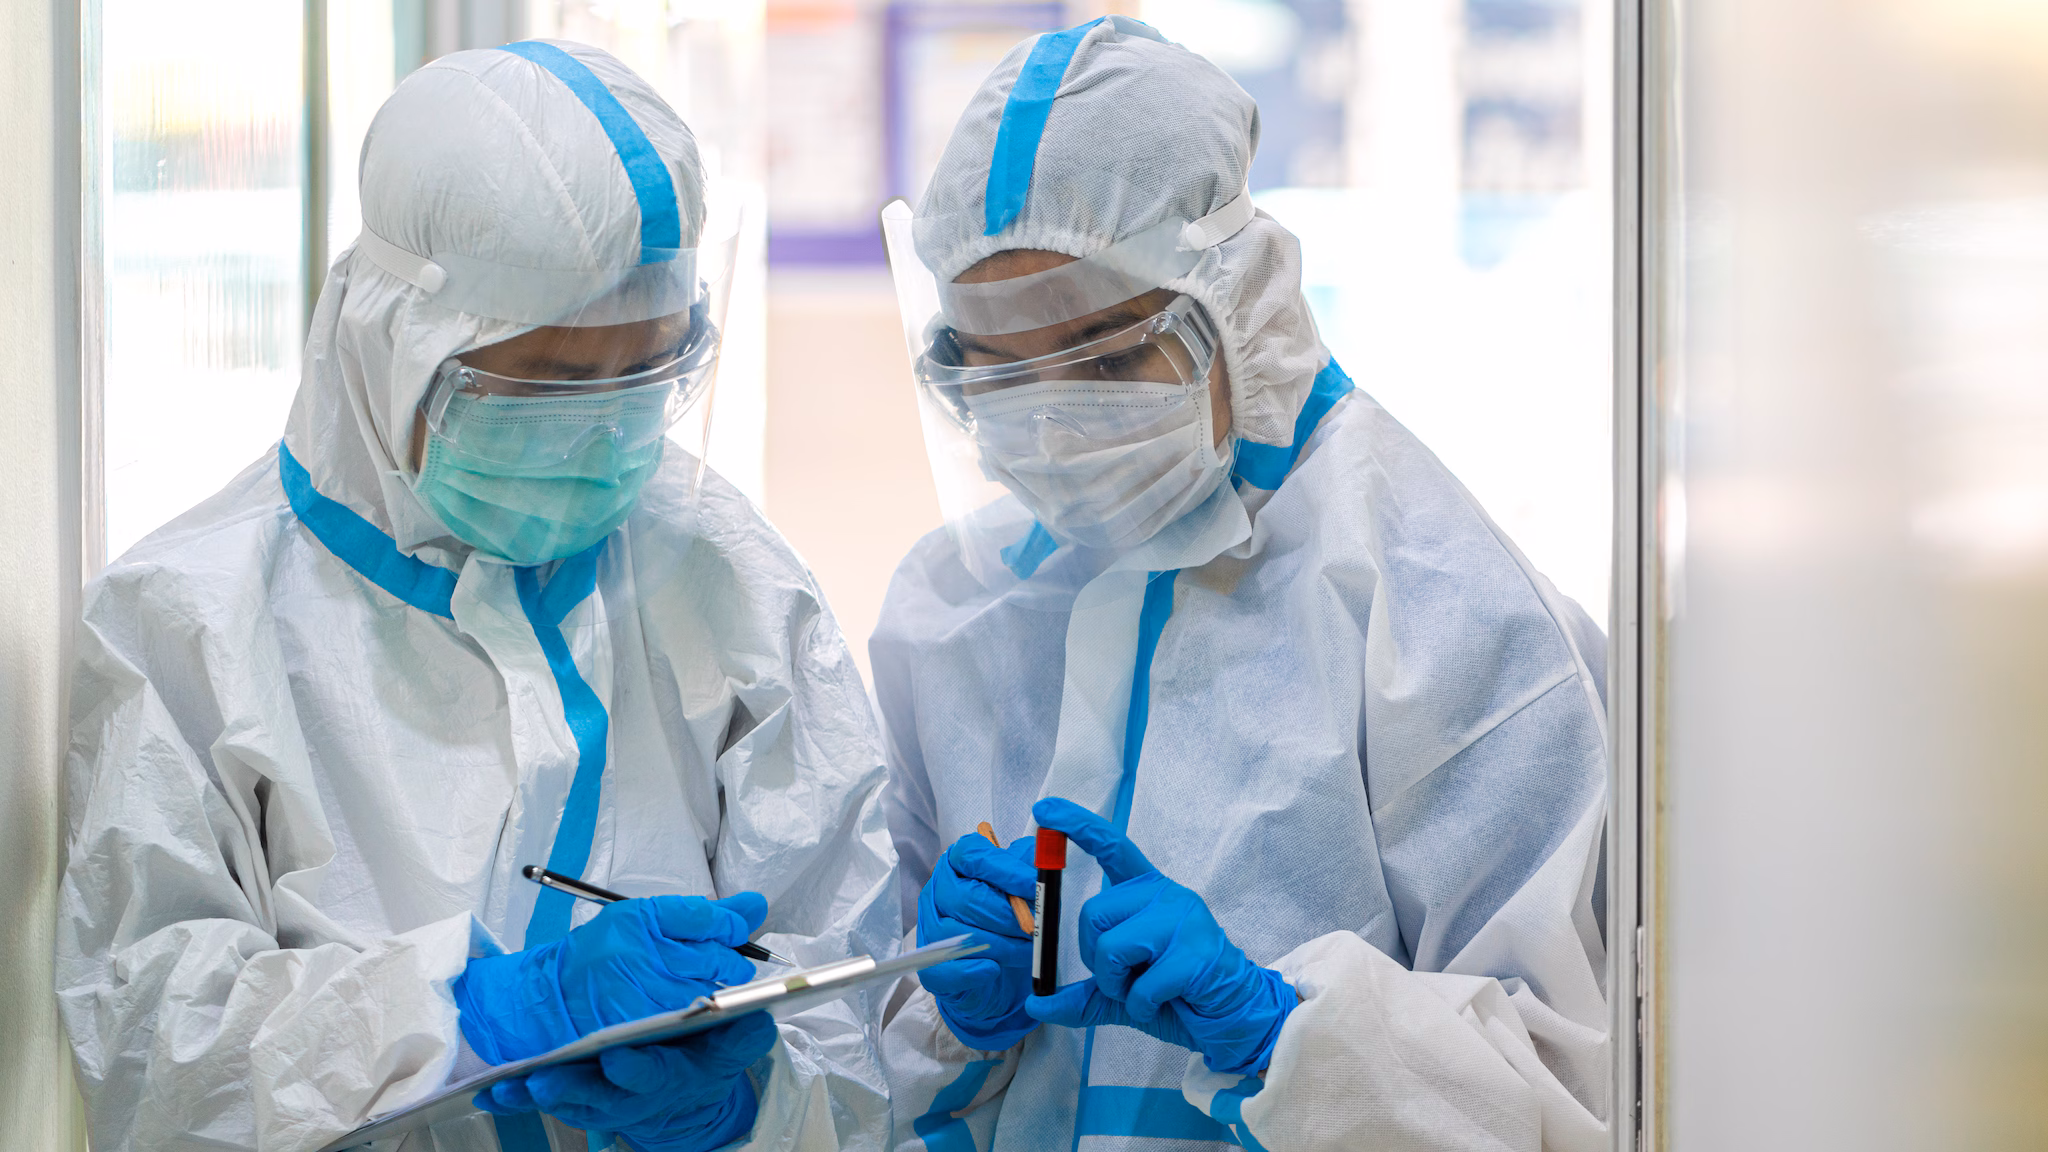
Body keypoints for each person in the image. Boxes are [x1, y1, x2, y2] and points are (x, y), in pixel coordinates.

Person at [56, 41, 896, 1152]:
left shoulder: (731, 581)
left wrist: (748, 1108)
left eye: (644, 371)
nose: (603, 427)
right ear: (394, 339)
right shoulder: (183, 624)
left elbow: (849, 1014)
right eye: (547, 383)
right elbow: (153, 1052)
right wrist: (470, 1016)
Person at [873, 17, 1611, 1152]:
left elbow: (1561, 1099)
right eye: (1001, 376)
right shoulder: (949, 612)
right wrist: (942, 1018)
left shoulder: (1430, 597)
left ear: (1234, 296)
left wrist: (1280, 1033)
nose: (1058, 427)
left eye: (1109, 359)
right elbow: (854, 1078)